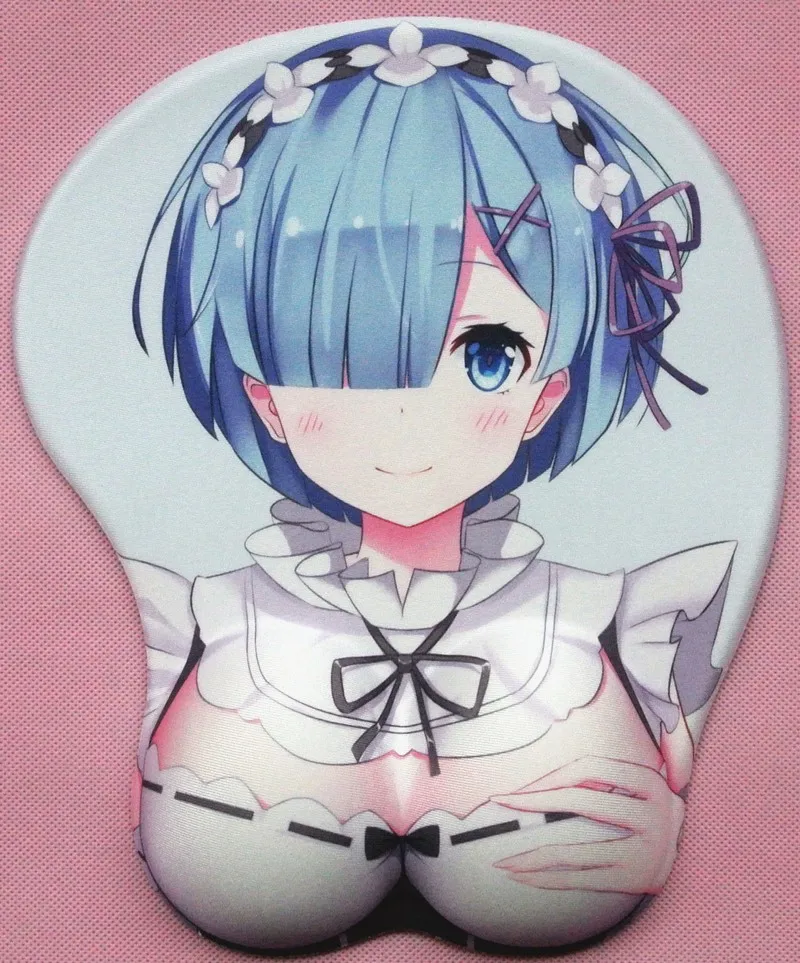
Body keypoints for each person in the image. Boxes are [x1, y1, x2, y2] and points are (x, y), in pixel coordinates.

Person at [127, 21, 735, 952]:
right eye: (335, 356)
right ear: (264, 396)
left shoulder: (631, 614)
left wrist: (661, 815)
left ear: (548, 393)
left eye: (487, 357)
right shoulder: (197, 614)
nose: (409, 418)